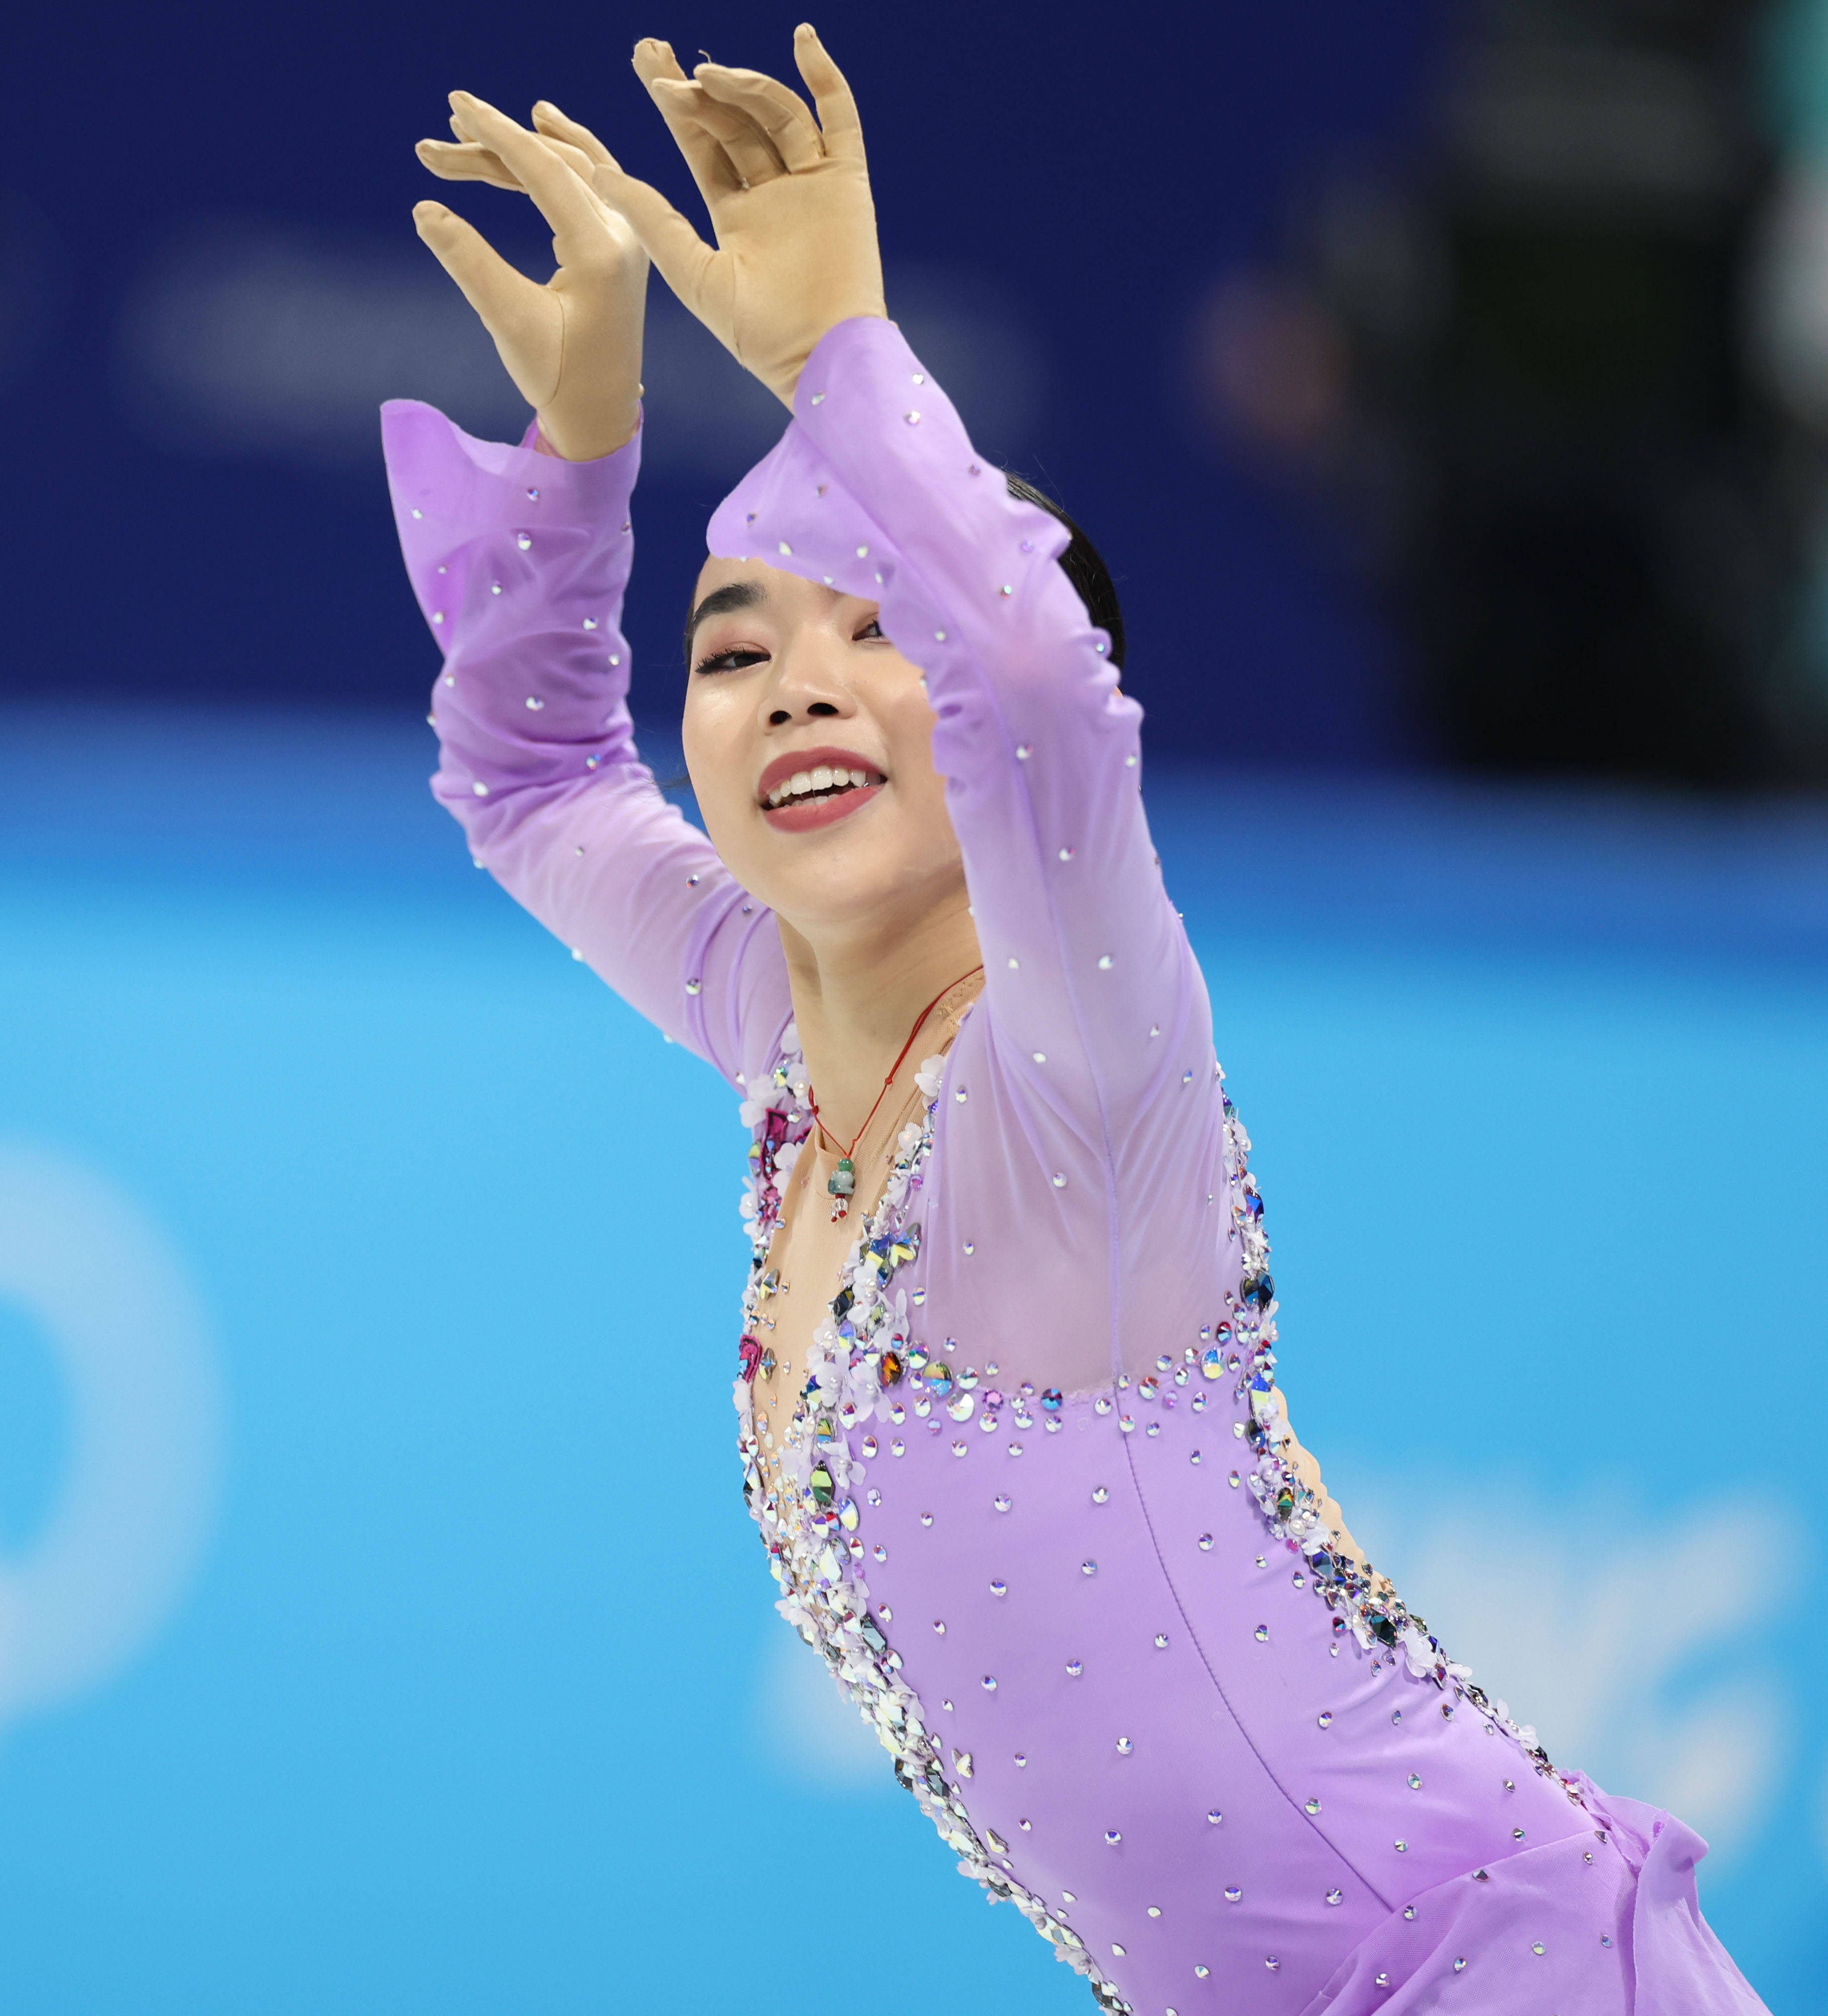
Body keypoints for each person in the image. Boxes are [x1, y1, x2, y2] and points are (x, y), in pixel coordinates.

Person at [384, 28, 1768, 2012]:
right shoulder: (779, 1025)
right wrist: (588, 424)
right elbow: (527, 777)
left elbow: (1032, 670)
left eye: (877, 633)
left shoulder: (1083, 1087)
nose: (796, 687)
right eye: (737, 645)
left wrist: (832, 352)